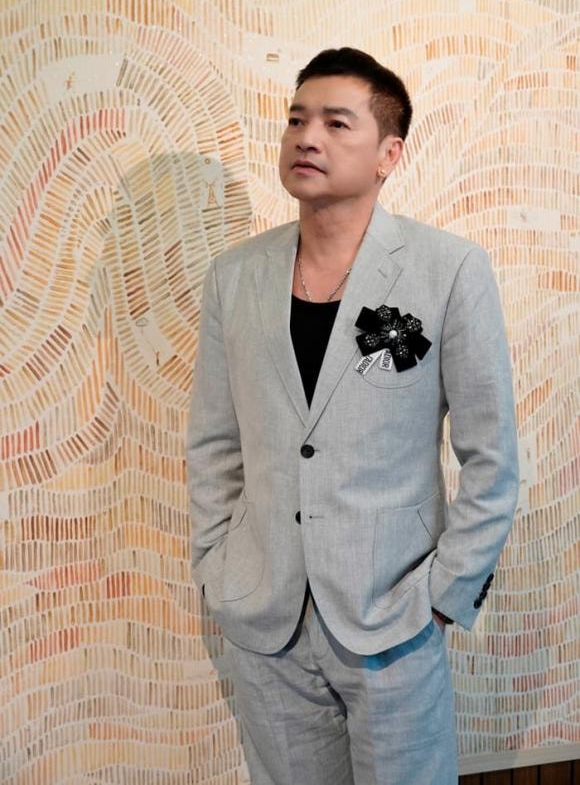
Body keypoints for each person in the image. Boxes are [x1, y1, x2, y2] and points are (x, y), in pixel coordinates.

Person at [186, 47, 519, 784]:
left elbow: (492, 455)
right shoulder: (235, 276)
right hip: (265, 616)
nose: (308, 137)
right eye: (297, 120)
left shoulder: (447, 270)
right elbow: (214, 442)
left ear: (388, 155)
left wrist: (443, 595)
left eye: (337, 123)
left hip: (394, 614)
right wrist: (216, 568)